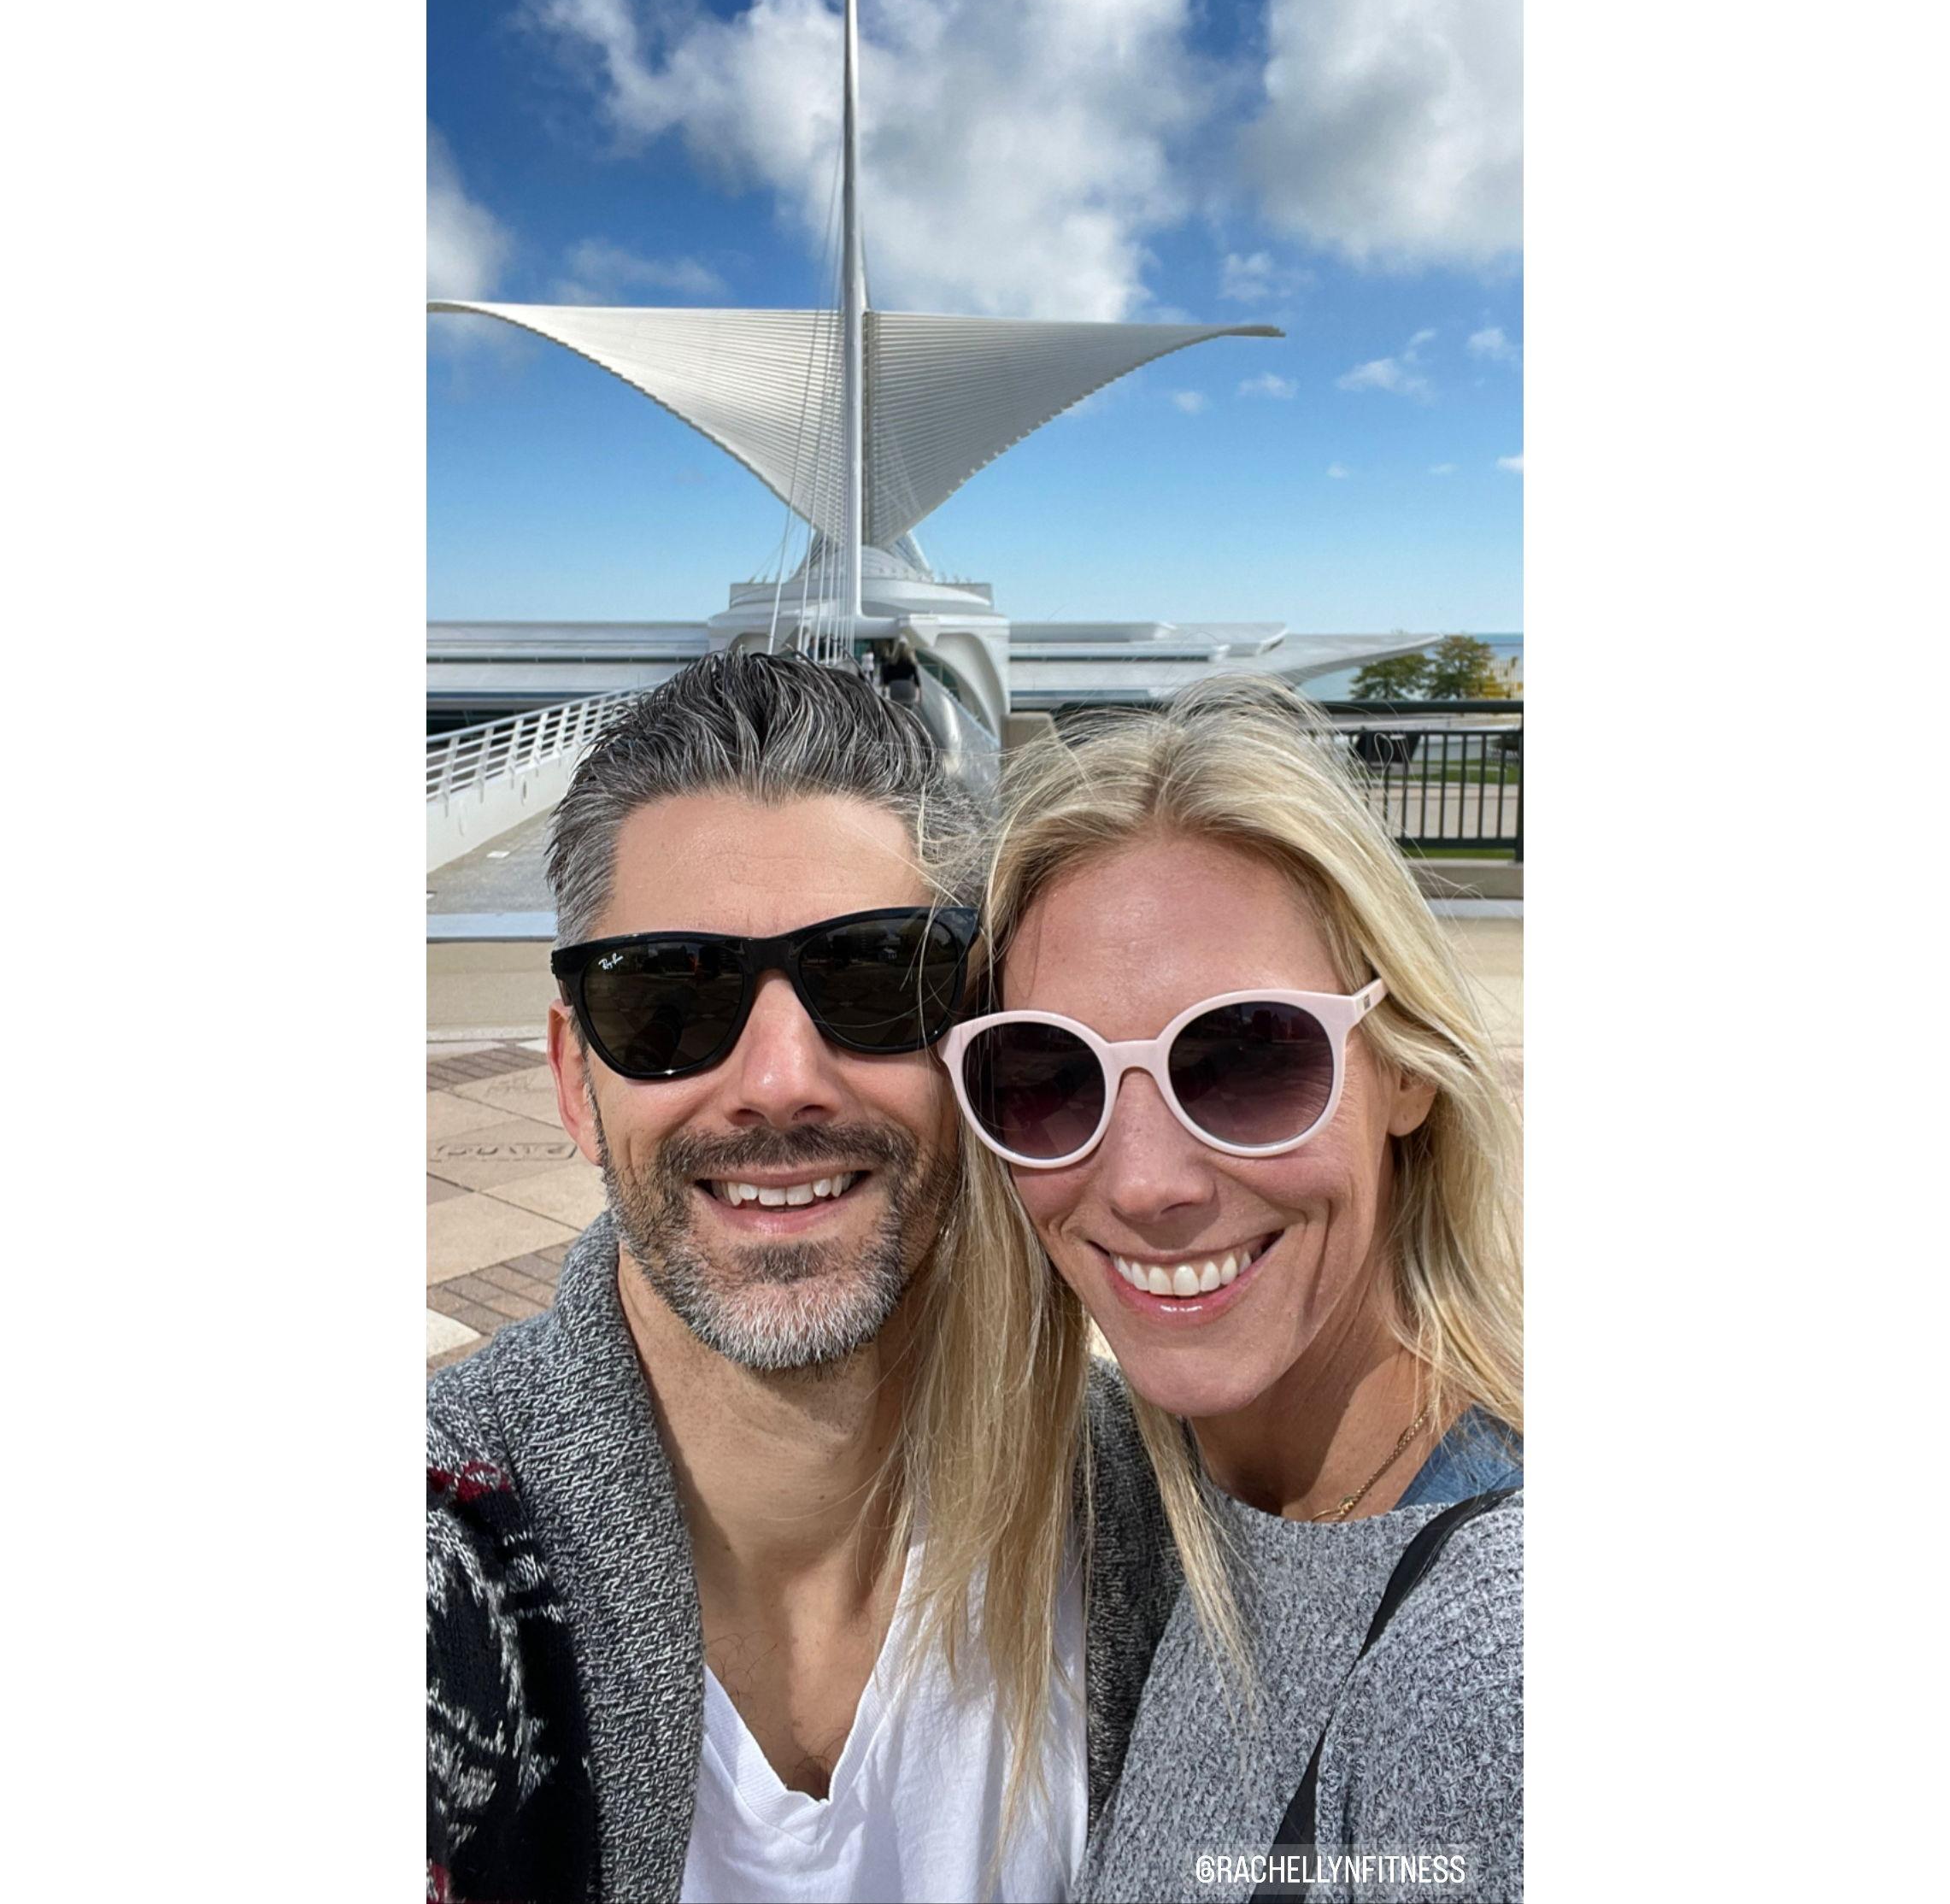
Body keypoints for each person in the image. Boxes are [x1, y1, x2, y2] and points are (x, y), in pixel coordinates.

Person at [426, 653, 1174, 1904]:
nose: (780, 1081)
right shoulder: (444, 1545)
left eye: (876, 979)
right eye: (667, 995)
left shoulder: (1159, 1520)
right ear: (574, 1078)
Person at [939, 675, 1524, 1902]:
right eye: (1046, 1075)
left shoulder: (1490, 1669)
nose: (1145, 1182)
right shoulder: (1143, 1496)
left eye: (1246, 1056)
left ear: (1405, 1069)